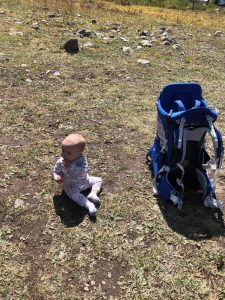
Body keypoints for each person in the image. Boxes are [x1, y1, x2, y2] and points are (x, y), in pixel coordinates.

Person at [53, 133, 103, 216]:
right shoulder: (61, 161)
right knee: (74, 195)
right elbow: (57, 170)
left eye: (68, 153)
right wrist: (57, 176)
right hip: (71, 185)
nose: (64, 154)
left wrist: (71, 166)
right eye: (63, 150)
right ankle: (88, 205)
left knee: (99, 180)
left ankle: (93, 194)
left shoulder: (82, 160)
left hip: (85, 181)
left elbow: (83, 171)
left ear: (79, 153)